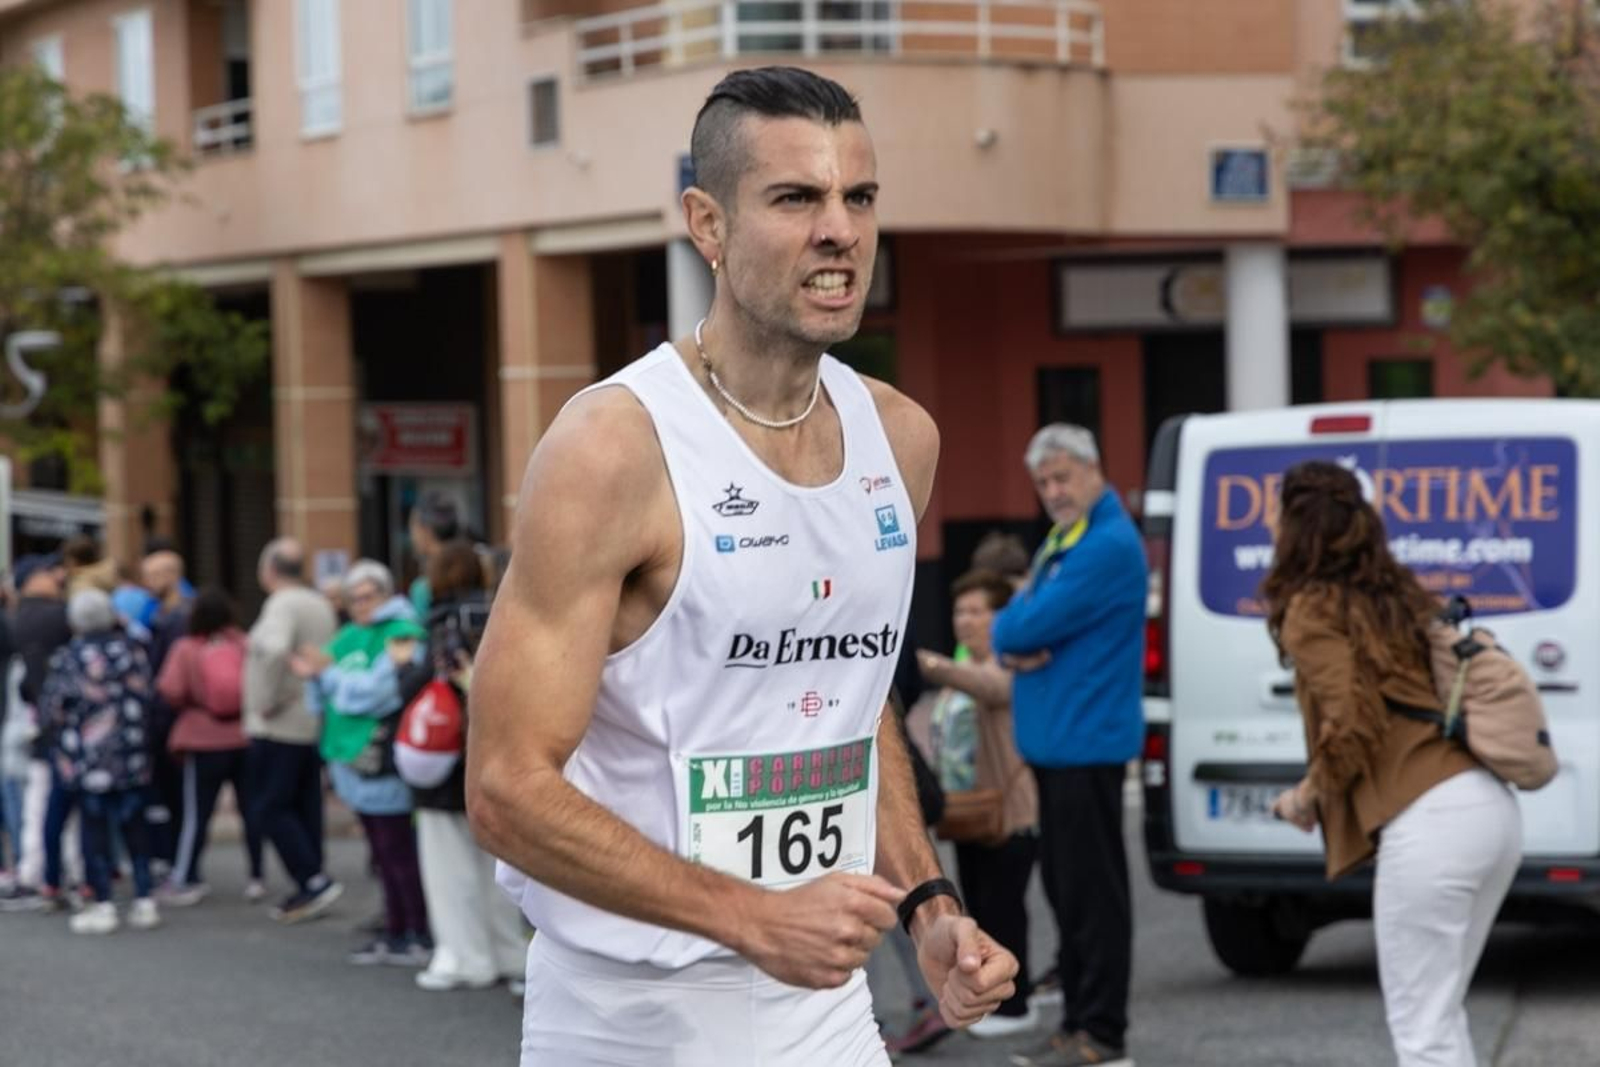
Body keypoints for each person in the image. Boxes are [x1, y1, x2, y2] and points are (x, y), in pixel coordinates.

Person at [467, 66, 1017, 1066]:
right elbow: (505, 786)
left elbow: (852, 710)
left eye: (858, 197)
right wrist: (749, 915)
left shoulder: (899, 438)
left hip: (824, 1009)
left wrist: (926, 903)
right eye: (796, 198)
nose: (839, 230)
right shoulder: (613, 448)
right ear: (707, 224)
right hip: (627, 1016)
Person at [1262, 461, 1519, 1067]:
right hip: (1487, 806)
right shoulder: (1395, 595)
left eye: (1275, 511)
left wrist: (1308, 796)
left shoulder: (1311, 609)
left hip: (1430, 823)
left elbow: (1354, 719)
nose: (1268, 523)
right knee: (1441, 1016)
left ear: (1298, 525)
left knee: (1422, 1031)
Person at [991, 423, 1145, 1067]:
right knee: (1068, 893)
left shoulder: (1105, 544)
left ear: (1094, 470)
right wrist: (1017, 633)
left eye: (1063, 477)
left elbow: (1019, 623)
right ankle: (1079, 1024)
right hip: (1063, 750)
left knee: (1092, 901)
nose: (1053, 491)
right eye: (1044, 482)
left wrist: (1017, 631)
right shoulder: (1070, 536)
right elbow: (1015, 630)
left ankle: (1101, 1037)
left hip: (1086, 749)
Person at [917, 569, 1040, 1037]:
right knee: (978, 912)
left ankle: (1017, 1003)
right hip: (969, 816)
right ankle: (990, 1000)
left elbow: (990, 688)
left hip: (1009, 814)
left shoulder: (1010, 663)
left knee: (1005, 910)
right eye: (959, 610)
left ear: (1002, 616)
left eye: (977, 611)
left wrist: (924, 663)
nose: (965, 620)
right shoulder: (964, 664)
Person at [398, 541, 524, 993]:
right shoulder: (504, 614)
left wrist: (402, 671)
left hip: (444, 760)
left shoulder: (435, 625)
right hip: (496, 752)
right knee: (497, 864)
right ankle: (510, 953)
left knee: (448, 865)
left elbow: (415, 686)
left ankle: (464, 956)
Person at [294, 559, 431, 966]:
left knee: (397, 851)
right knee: (379, 851)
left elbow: (376, 693)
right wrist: (320, 676)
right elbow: (317, 691)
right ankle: (394, 927)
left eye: (368, 596)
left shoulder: (402, 633)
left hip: (382, 759)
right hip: (348, 757)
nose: (360, 604)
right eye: (352, 598)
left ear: (386, 594)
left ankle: (416, 932)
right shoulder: (348, 635)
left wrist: (329, 675)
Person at [38, 589, 159, 935]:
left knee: (95, 830)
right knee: (135, 826)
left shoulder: (71, 657)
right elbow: (149, 696)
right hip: (132, 755)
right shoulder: (132, 650)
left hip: (89, 761)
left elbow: (52, 709)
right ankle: (144, 899)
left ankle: (103, 904)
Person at [244, 538, 343, 924]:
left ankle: (312, 879)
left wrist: (266, 698)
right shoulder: (317, 601)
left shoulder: (281, 603)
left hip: (280, 721)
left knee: (269, 805)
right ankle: (313, 878)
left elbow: (271, 649)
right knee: (305, 802)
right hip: (311, 715)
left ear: (269, 569)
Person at [154, 588, 264, 905]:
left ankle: (186, 876)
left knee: (197, 814)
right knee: (251, 810)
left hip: (202, 739)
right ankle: (256, 876)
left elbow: (170, 690)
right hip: (244, 736)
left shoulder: (186, 648)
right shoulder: (243, 644)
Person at [2, 553, 81, 912]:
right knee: (49, 806)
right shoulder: (51, 616)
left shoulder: (20, 619)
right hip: (55, 727)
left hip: (34, 726)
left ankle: (37, 872)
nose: (60, 575)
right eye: (52, 571)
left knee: (38, 803)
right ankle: (43, 873)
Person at [141, 547, 193, 871]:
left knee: (177, 796)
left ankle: (181, 863)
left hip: (173, 718)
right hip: (163, 717)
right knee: (166, 794)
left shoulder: (180, 617)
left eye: (153, 574)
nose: (147, 582)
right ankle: (171, 855)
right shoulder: (160, 613)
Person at [407, 492, 461, 616]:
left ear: (426, 530)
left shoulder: (423, 588)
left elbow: (421, 632)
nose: (412, 537)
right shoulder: (477, 567)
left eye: (413, 528)